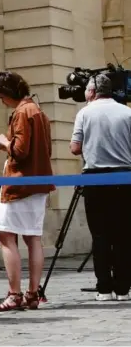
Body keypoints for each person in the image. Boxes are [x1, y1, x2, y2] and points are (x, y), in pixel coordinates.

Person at [0, 71, 55, 312]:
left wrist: (3, 142)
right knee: (33, 237)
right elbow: (45, 148)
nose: (2, 101)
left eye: (1, 96)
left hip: (20, 182)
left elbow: (20, 150)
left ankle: (14, 294)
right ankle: (32, 293)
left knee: (6, 235)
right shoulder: (38, 111)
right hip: (39, 181)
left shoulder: (22, 112)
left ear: (7, 94)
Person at [70, 74, 131, 302]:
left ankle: (104, 288)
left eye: (87, 89)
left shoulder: (84, 113)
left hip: (95, 178)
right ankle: (123, 288)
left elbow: (75, 148)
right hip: (124, 178)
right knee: (124, 234)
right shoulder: (127, 112)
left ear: (93, 92)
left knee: (100, 235)